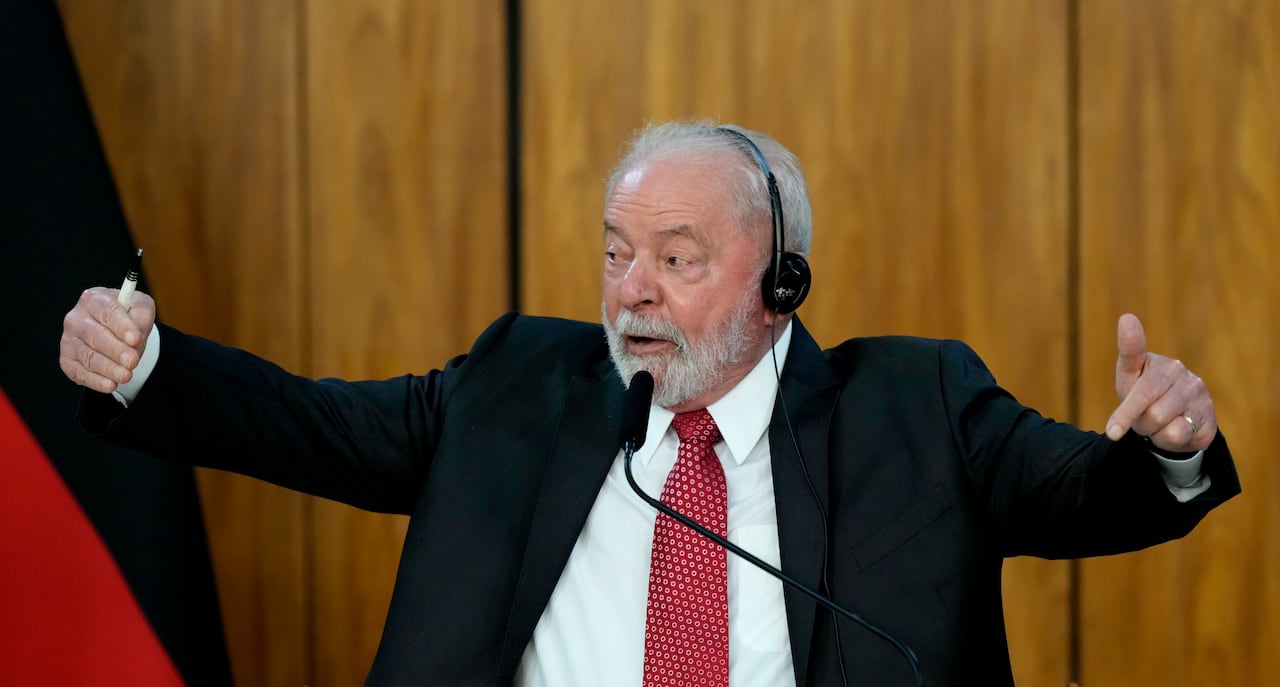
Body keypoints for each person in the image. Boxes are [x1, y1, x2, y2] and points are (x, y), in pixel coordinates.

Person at [59, 121, 1238, 686]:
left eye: (675, 258)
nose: (631, 290)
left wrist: (1166, 447)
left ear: (781, 282)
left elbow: (1077, 494)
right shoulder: (520, 385)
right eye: (617, 252)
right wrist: (144, 365)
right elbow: (308, 425)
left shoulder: (912, 406)